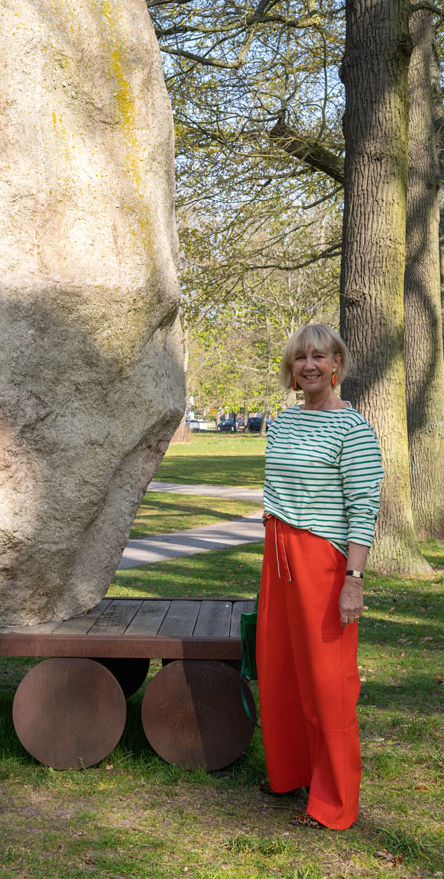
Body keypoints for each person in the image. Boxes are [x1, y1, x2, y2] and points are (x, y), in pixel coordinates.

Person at [256, 323, 383, 831]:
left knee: (328, 683)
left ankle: (334, 802)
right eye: (300, 358)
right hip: (278, 556)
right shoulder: (284, 424)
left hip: (323, 563)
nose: (309, 365)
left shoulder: (354, 430)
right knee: (281, 671)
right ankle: (291, 775)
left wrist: (353, 579)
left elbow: (363, 508)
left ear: (336, 364)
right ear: (292, 369)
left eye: (319, 356)